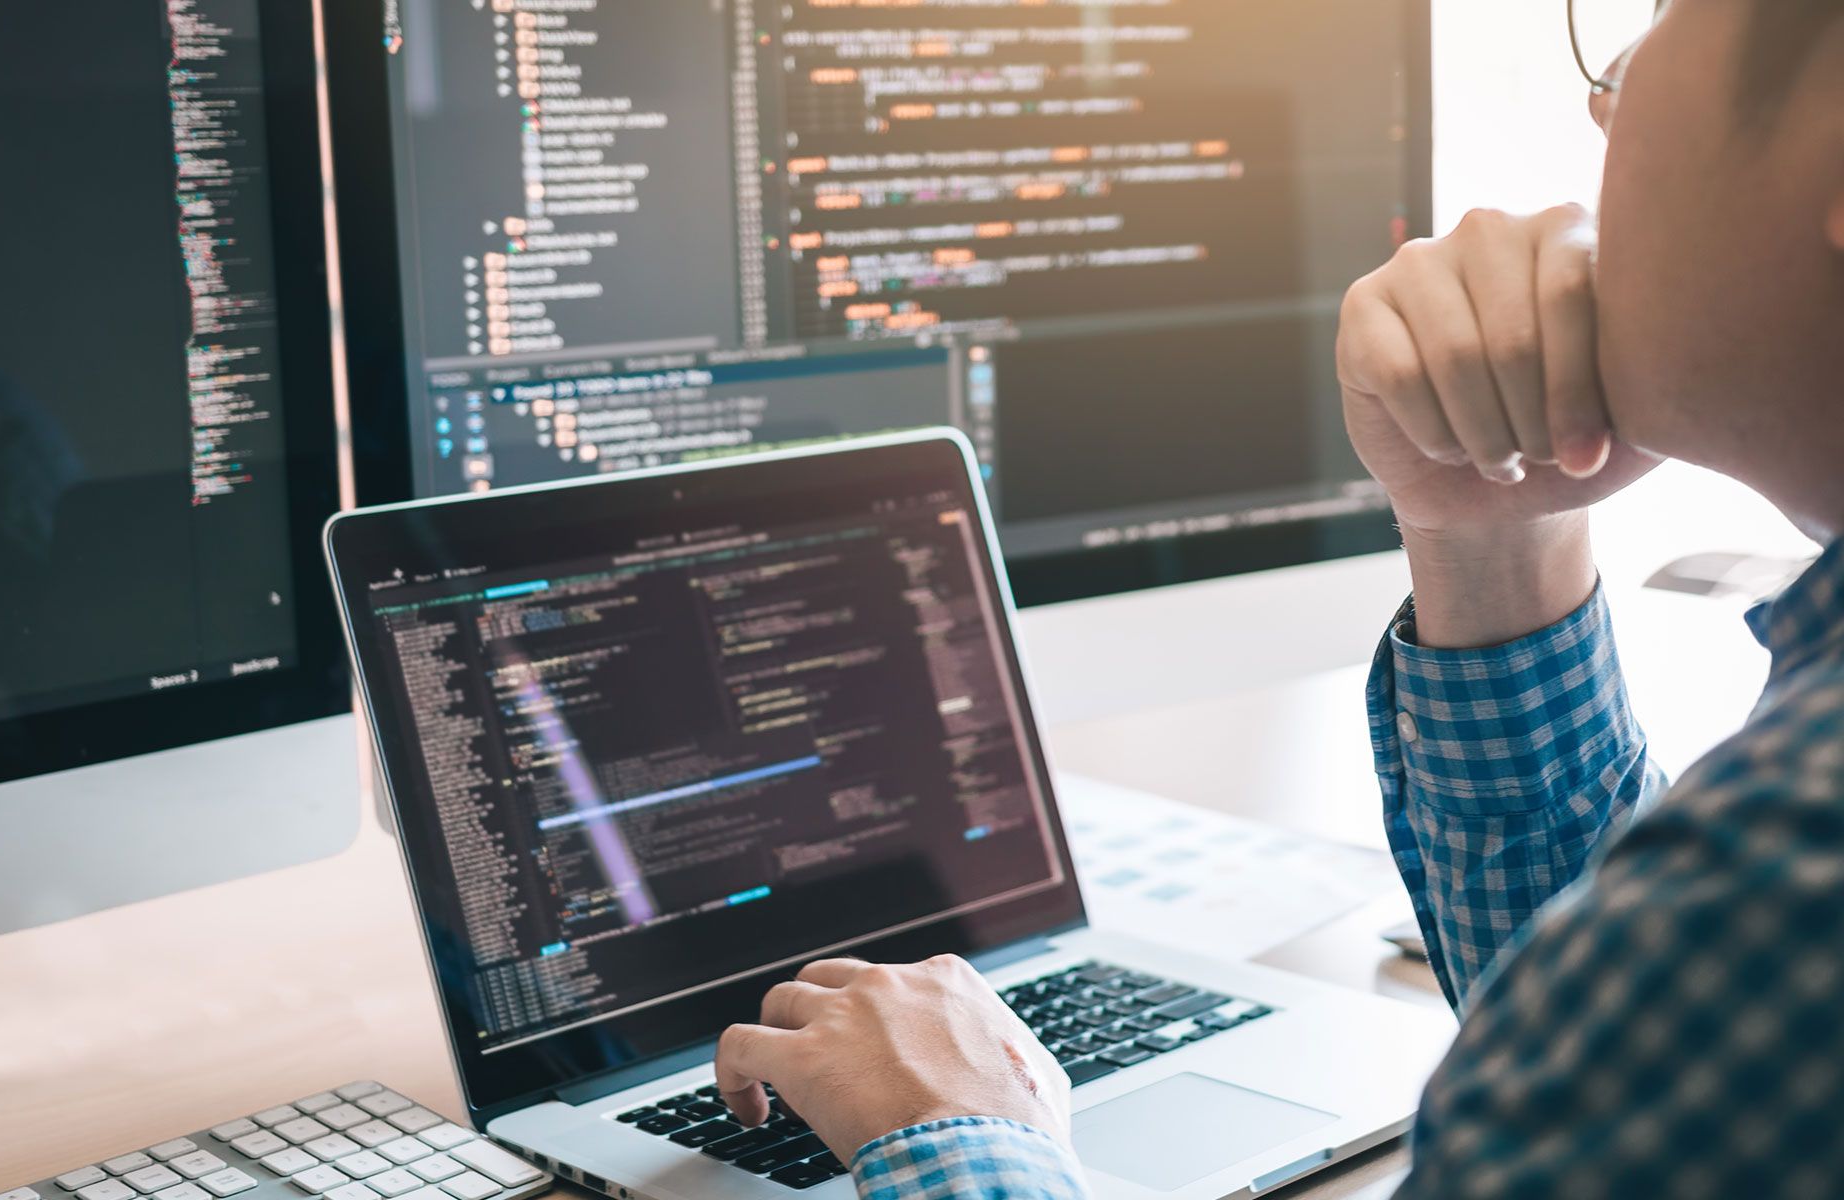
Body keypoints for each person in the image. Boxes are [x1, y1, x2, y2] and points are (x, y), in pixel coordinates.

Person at [709, 2, 1844, 1196]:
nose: (1603, 100)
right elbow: (1634, 1071)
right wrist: (1495, 531)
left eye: (1664, 20)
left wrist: (955, 1136)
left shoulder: (1790, 858)